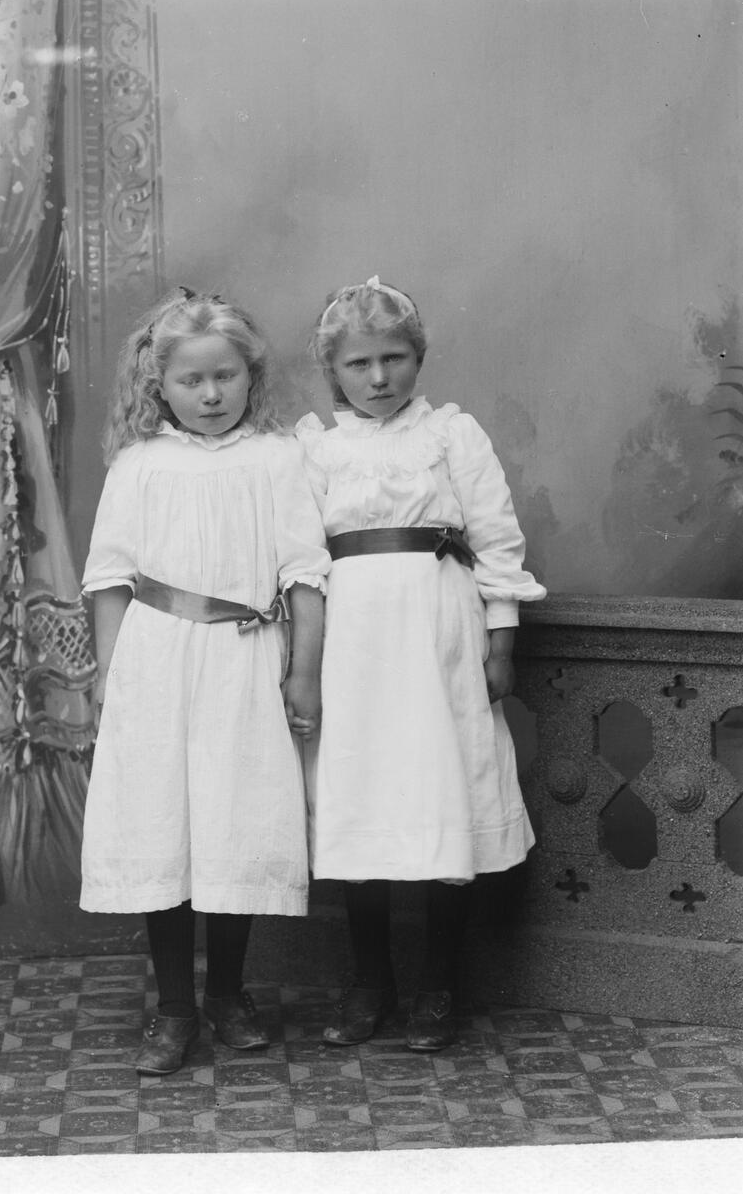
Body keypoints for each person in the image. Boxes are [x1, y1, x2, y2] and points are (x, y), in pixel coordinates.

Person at [80, 287, 329, 1076]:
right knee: (163, 823)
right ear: (159, 384)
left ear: (251, 375)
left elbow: (304, 576)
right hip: (156, 661)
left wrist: (302, 673)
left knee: (234, 821)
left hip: (243, 658)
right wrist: (111, 677)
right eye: (192, 380)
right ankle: (174, 1008)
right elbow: (111, 579)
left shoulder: (277, 458)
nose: (211, 394)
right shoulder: (140, 464)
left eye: (226, 376)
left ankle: (226, 993)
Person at [296, 276, 546, 1052]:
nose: (378, 378)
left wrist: (500, 639)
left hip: (437, 637)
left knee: (443, 792)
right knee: (360, 799)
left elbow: (495, 539)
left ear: (418, 357)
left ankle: (438, 984)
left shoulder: (451, 436)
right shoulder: (318, 449)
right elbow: (299, 558)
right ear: (332, 370)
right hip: (352, 644)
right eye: (359, 363)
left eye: (394, 359)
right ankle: (369, 983)